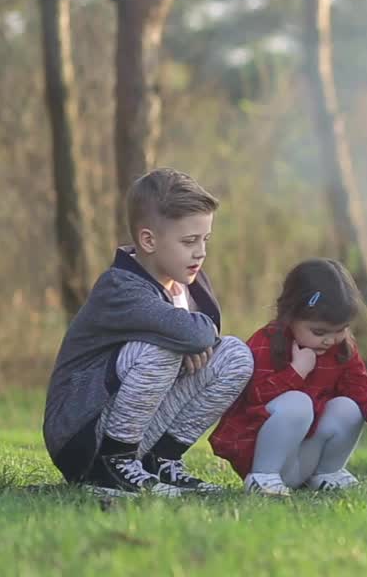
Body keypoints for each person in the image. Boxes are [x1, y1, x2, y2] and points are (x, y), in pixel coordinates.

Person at [43, 168, 254, 497]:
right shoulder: (120, 288)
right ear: (148, 240)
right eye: (189, 241)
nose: (201, 252)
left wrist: (191, 338)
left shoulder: (192, 282)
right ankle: (112, 465)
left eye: (204, 239)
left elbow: (205, 340)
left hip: (140, 421)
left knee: (235, 355)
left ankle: (161, 461)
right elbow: (197, 336)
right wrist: (187, 340)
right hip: (82, 433)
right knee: (161, 346)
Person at [210, 259, 367, 495]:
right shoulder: (267, 343)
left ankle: (326, 474)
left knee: (350, 406)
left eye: (341, 330)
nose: (330, 340)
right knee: (298, 403)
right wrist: (296, 372)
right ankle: (263, 478)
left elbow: (357, 384)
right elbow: (254, 398)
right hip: (262, 452)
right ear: (290, 316)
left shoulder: (340, 348)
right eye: (319, 332)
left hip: (306, 453)